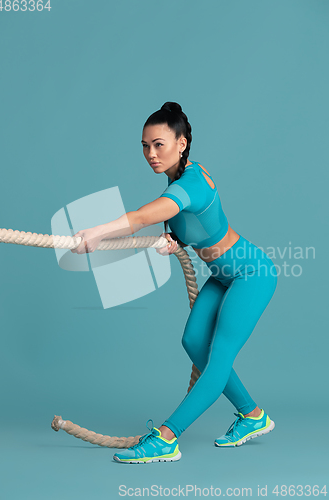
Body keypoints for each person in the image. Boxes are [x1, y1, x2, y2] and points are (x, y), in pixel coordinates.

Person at [71, 102, 278, 464]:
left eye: (159, 144)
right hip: (223, 274)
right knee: (193, 341)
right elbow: (197, 223)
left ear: (181, 143)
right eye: (145, 146)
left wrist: (98, 231)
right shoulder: (177, 180)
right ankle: (253, 416)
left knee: (217, 360)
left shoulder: (192, 182)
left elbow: (144, 216)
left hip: (251, 274)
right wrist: (178, 240)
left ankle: (167, 438)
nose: (151, 154)